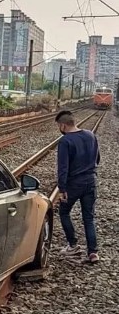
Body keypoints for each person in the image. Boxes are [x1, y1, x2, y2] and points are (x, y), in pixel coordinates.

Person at [55, 110, 100, 263]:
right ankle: (93, 252)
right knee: (88, 218)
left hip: (74, 184)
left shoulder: (65, 141)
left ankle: (73, 245)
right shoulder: (90, 135)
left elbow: (63, 168)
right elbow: (97, 159)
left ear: (63, 125)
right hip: (91, 181)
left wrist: (62, 189)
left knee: (64, 212)